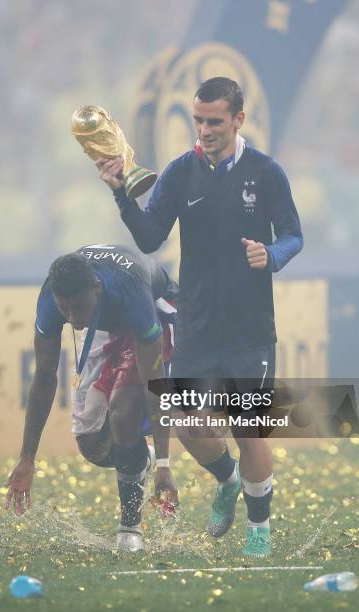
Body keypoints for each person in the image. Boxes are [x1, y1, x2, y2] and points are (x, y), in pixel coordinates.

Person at [96, 77, 303, 557]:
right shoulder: (180, 171)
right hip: (197, 325)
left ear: (238, 120)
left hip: (249, 329)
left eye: (214, 121)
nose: (205, 129)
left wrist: (271, 254)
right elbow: (149, 238)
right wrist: (121, 195)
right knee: (186, 420)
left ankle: (260, 530)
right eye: (198, 120)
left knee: (248, 429)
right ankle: (227, 480)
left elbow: (294, 235)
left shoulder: (266, 172)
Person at [5, 243, 179, 552]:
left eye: (78, 308)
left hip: (150, 312)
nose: (71, 318)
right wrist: (27, 457)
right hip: (104, 322)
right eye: (65, 309)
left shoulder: (132, 293)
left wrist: (165, 463)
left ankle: (130, 527)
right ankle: (140, 459)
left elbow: (155, 382)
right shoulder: (52, 297)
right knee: (92, 446)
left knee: (123, 413)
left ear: (95, 289)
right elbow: (45, 376)